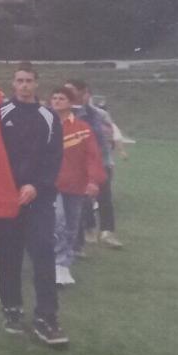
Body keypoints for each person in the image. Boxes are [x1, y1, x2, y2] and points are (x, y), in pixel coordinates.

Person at [0, 62, 67, 346]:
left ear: (37, 84)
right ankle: (12, 308)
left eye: (29, 80)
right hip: (7, 197)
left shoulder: (49, 117)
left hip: (39, 197)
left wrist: (36, 185)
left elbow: (54, 158)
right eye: (19, 80)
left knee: (43, 250)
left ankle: (46, 316)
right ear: (13, 84)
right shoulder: (0, 113)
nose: (24, 85)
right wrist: (10, 186)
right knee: (9, 253)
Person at [50, 87, 106, 285]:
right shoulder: (45, 125)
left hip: (75, 184)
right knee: (59, 221)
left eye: (61, 98)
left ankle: (65, 265)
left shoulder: (82, 128)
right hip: (51, 184)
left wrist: (93, 181)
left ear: (71, 102)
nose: (57, 101)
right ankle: (57, 262)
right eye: (54, 98)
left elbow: (93, 156)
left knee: (73, 225)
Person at [64, 80, 124, 249]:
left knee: (105, 198)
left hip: (101, 161)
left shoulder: (99, 114)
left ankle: (107, 232)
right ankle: (87, 229)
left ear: (84, 94)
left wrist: (108, 161)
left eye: (71, 91)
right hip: (77, 165)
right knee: (83, 200)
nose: (67, 94)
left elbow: (107, 137)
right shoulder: (65, 114)